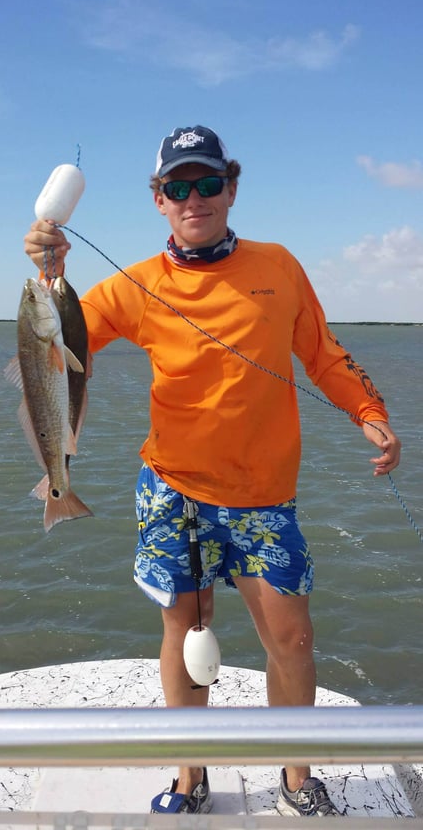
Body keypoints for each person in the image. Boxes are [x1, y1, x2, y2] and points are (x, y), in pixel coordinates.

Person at [24, 125, 401, 817]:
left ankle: (294, 773)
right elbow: (61, 344)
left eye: (206, 182)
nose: (193, 197)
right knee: (183, 632)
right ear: (159, 200)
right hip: (173, 491)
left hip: (264, 499)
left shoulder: (279, 266)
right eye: (177, 186)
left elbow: (325, 354)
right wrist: (52, 275)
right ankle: (190, 770)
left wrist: (367, 410)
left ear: (230, 187)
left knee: (292, 637)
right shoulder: (138, 284)